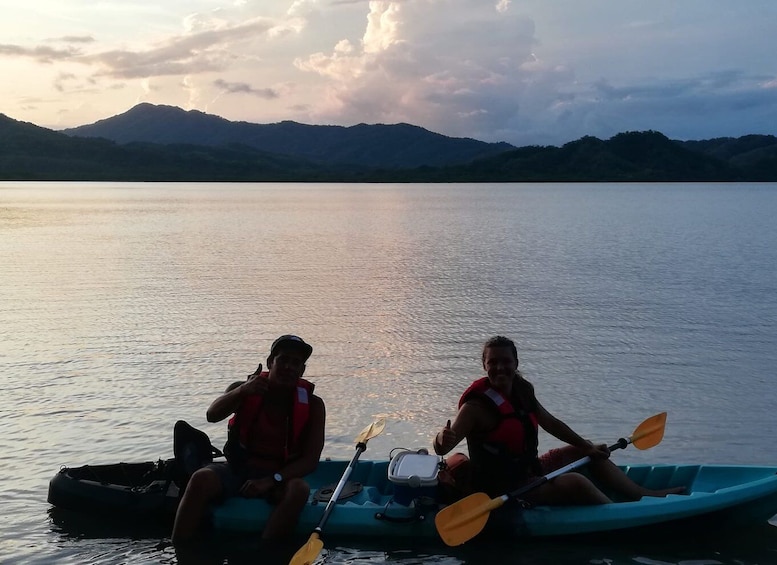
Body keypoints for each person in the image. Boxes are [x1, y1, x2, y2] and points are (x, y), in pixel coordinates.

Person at [433, 335, 684, 505]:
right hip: (503, 488)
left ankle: (645, 495)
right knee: (575, 482)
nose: (500, 368)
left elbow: (550, 423)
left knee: (587, 451)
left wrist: (587, 446)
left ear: (516, 363)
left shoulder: (522, 391)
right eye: (493, 362)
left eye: (506, 361)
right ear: (484, 365)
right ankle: (620, 514)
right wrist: (441, 439)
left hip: (529, 470)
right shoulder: (475, 408)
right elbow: (442, 448)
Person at [172, 335, 326, 544]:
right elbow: (212, 415)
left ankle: (265, 551)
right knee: (200, 478)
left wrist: (271, 480)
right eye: (283, 360)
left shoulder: (314, 405)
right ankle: (181, 549)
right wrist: (242, 391)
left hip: (279, 476)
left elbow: (310, 460)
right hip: (238, 469)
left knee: (300, 489)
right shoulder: (243, 390)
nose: (288, 367)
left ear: (302, 371)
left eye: (295, 363)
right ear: (271, 362)